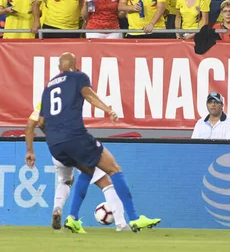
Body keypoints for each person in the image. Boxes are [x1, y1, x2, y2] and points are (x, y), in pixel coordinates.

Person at [24, 52, 161, 234]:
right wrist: (107, 109)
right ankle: (134, 219)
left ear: (59, 68)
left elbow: (39, 122)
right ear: (75, 64)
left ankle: (72, 218)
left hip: (55, 145)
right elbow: (89, 95)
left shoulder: (48, 88)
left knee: (88, 171)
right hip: (75, 136)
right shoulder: (78, 77)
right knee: (113, 169)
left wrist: (38, 146)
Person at [24, 103, 130, 231]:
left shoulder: (46, 100)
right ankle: (121, 223)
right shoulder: (69, 96)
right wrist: (106, 109)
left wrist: (30, 151)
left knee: (65, 181)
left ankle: (57, 208)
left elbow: (32, 125)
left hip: (56, 149)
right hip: (75, 146)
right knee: (106, 183)